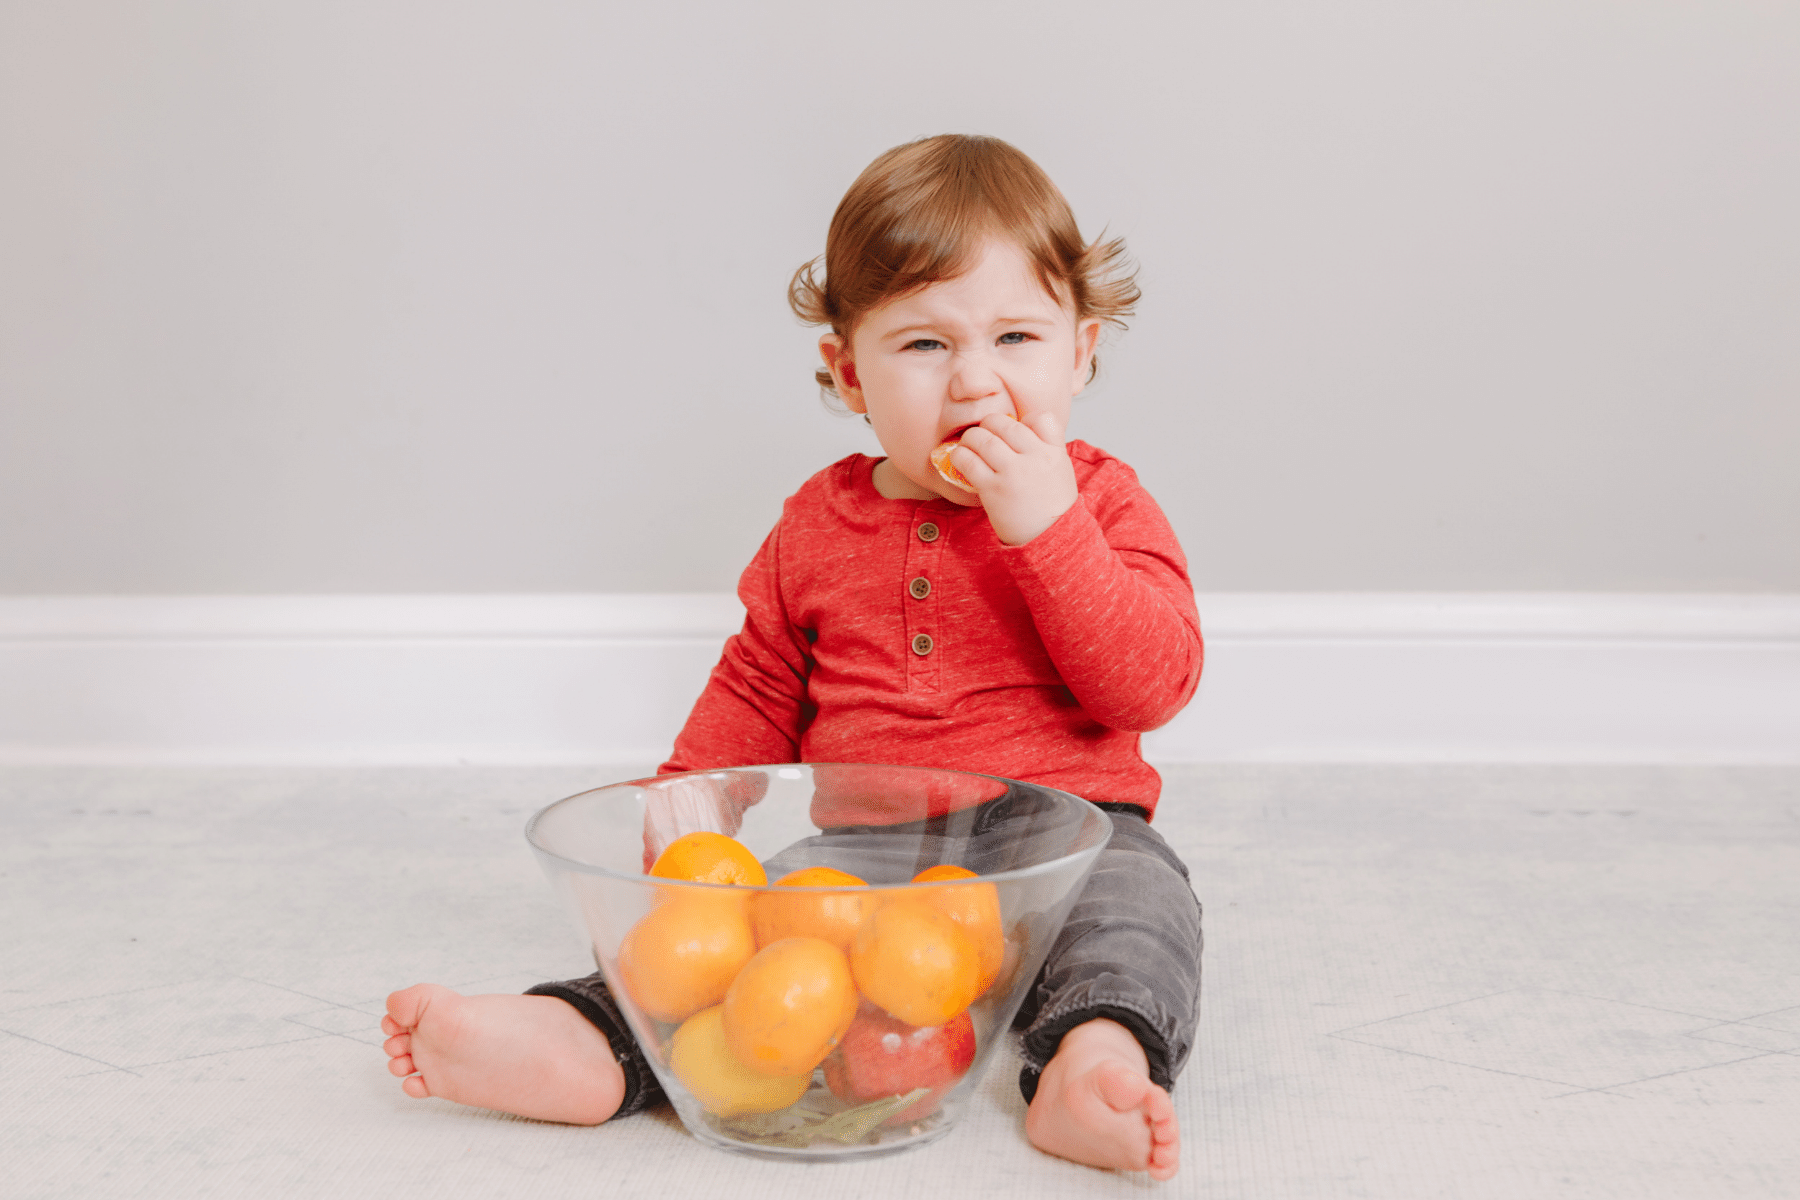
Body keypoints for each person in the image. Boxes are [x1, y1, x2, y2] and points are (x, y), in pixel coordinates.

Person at [381, 133, 1203, 1181]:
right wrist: (693, 795)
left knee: (1140, 915)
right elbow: (762, 679)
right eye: (923, 347)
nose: (977, 385)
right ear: (846, 371)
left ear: (1080, 353)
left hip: (1069, 840)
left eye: (1016, 338)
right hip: (871, 858)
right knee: (746, 947)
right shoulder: (818, 524)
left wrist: (1049, 529)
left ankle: (1093, 1061)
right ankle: (588, 1043)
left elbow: (1153, 681)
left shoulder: (1103, 503)